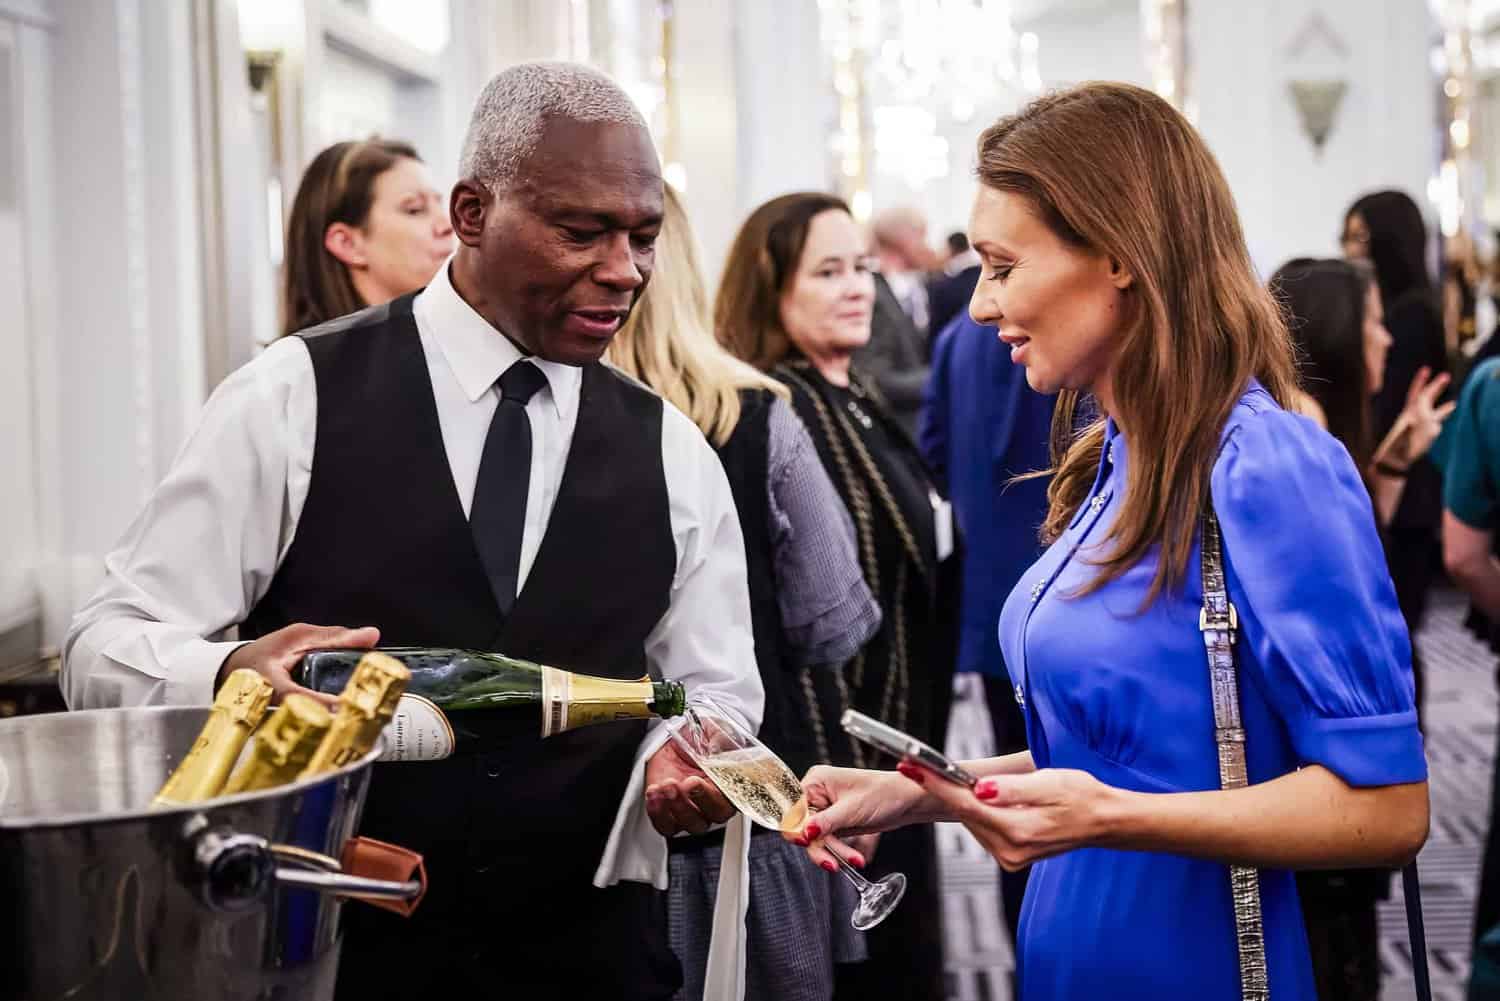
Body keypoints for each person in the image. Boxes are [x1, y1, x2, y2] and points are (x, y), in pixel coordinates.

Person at [62, 62, 764, 1001]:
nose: (624, 270)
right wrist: (227, 673)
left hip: (588, 962)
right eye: (581, 232)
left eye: (643, 237)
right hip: (331, 959)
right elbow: (101, 643)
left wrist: (682, 754)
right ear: (471, 213)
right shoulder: (293, 397)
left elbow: (716, 692)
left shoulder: (672, 449)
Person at [786, 83, 1429, 1001]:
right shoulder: (1118, 454)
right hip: (1079, 954)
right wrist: (922, 789)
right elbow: (1124, 750)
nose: (980, 304)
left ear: (1120, 255)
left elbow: (1390, 807)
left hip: (1198, 963)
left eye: (1004, 266)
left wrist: (1111, 819)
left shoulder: (1265, 464)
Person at [606, 184, 880, 1001]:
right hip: (748, 798)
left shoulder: (548, 421)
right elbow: (834, 616)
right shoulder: (755, 416)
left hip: (592, 812)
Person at [717, 191, 959, 1001]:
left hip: (902, 746)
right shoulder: (782, 409)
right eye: (827, 272)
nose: (856, 286)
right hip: (849, 759)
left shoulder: (854, 397)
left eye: (860, 266)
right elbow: (808, 626)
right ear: (771, 289)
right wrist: (852, 774)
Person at [1271, 257, 1452, 1001]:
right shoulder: (1299, 429)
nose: (1386, 338)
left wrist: (1393, 459)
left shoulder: (1305, 429)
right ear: (1341, 336)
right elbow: (1347, 607)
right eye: (1373, 321)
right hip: (1327, 773)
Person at [918, 309, 1054, 945]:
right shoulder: (1083, 335)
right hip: (1080, 606)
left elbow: (934, 453)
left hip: (996, 608)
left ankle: (1024, 951)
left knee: (1009, 804)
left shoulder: (955, 340)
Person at [1342, 191, 1449, 710]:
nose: (1351, 250)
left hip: (1408, 493)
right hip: (1392, 474)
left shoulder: (1411, 316)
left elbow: (1393, 411)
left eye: (1360, 237)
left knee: (1396, 627)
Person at [281, 138, 454, 335]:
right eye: (415, 209)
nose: (448, 226)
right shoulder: (302, 355)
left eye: (439, 204)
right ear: (347, 243)